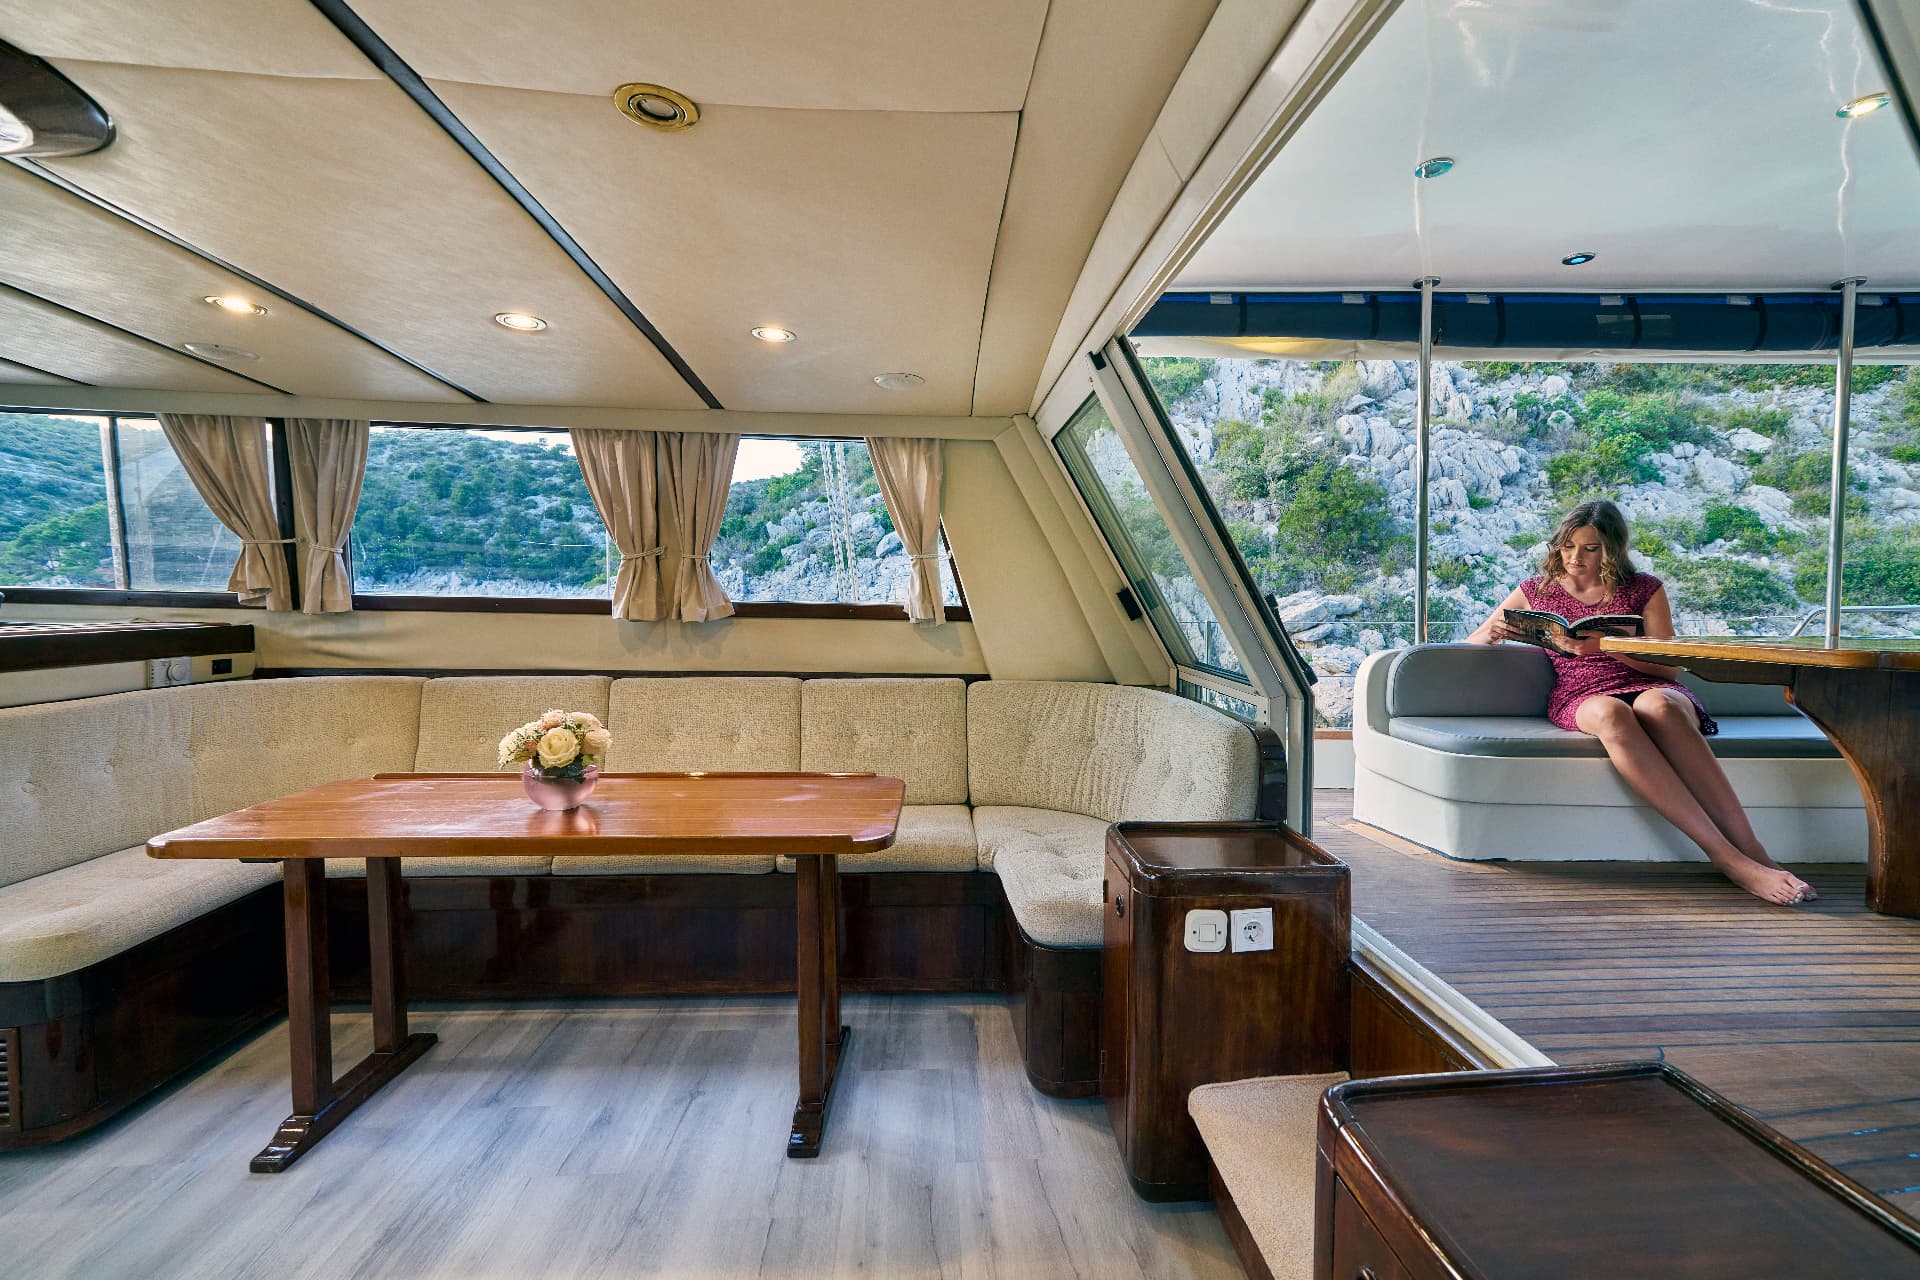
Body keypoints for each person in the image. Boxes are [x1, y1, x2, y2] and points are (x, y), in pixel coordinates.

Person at [1466, 499, 1816, 906]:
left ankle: (1754, 852)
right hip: (1581, 693)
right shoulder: (1536, 590)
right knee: (1613, 714)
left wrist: (1606, 647)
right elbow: (1474, 639)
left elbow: (1669, 670)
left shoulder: (1645, 589)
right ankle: (1729, 861)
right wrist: (1493, 635)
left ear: (1611, 549)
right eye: (1567, 547)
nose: (1576, 557)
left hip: (1649, 683)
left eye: (1590, 548)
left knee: (1659, 708)